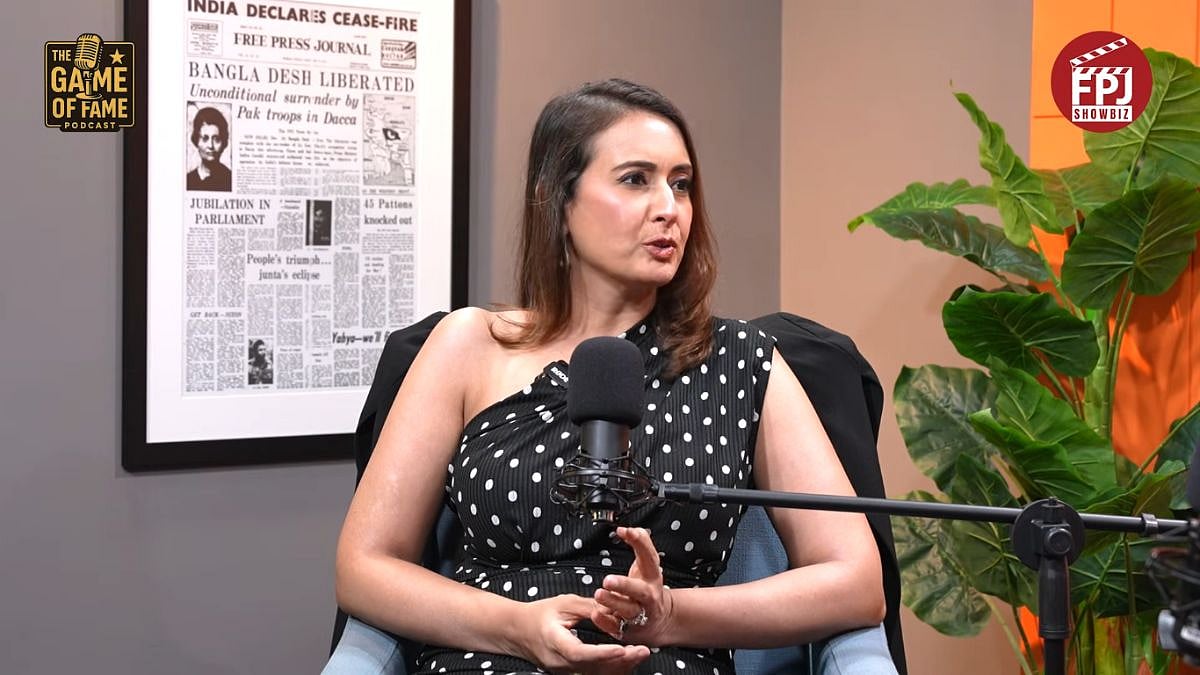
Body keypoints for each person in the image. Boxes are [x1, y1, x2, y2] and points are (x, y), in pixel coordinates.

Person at [334, 79, 885, 674]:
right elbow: (364, 566)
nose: (669, 208)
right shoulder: (468, 345)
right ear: (557, 200)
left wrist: (673, 614)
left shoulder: (741, 360)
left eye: (681, 184)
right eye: (635, 180)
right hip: (491, 655)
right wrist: (516, 627)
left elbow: (855, 581)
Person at [186, 106, 232, 192]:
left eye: (216, 139)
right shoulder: (187, 181)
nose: (210, 146)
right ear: (196, 141)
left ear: (224, 143)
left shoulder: (230, 180)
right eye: (205, 138)